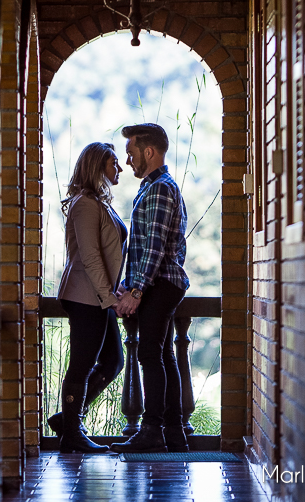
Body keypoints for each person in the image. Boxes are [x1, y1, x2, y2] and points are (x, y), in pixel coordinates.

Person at [111, 123, 189, 454]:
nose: (128, 161)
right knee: (162, 355)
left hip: (160, 283)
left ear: (149, 152)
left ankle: (153, 431)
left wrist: (136, 290)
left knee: (148, 354)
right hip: (160, 282)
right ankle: (173, 433)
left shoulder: (159, 189)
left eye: (131, 154)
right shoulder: (155, 186)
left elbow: (155, 246)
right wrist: (129, 284)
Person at [50, 141, 127, 454]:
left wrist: (114, 290)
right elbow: (90, 257)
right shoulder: (85, 204)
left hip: (98, 296)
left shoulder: (99, 202)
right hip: (86, 296)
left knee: (113, 361)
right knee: (82, 365)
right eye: (114, 163)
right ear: (98, 166)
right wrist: (109, 296)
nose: (119, 168)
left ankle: (66, 420)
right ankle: (71, 435)